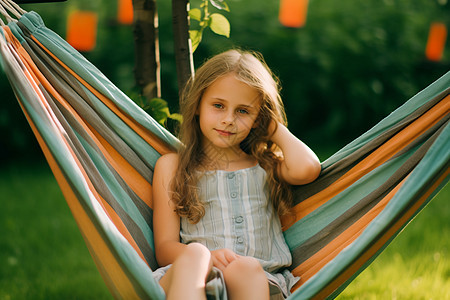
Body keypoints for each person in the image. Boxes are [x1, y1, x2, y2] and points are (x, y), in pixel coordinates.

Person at [152, 49, 321, 300]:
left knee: (246, 266)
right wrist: (207, 256)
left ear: (259, 118)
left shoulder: (265, 165)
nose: (229, 120)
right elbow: (165, 249)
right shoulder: (173, 166)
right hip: (190, 278)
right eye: (218, 106)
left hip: (258, 283)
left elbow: (308, 168)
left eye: (243, 111)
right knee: (195, 253)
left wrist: (272, 127)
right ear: (198, 104)